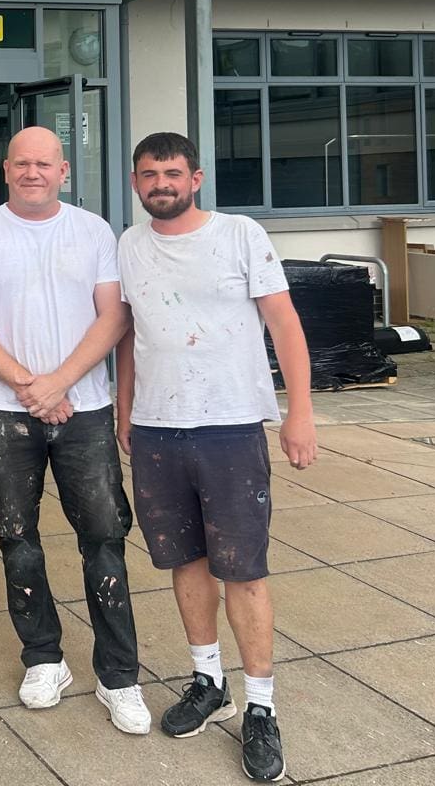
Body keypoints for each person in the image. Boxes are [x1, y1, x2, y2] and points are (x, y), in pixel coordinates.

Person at [116, 132, 317, 782]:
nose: (161, 184)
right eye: (150, 174)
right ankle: (209, 681)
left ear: (195, 177)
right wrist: (125, 410)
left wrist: (299, 412)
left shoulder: (239, 236)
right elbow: (129, 337)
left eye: (172, 173)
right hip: (156, 430)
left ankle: (260, 705)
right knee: (185, 561)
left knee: (244, 570)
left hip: (230, 428)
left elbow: (285, 323)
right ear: (135, 180)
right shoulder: (129, 244)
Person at [0, 126, 148, 734]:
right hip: (6, 413)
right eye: (22, 164)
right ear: (6, 170)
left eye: (44, 164)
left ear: (63, 171)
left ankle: (120, 676)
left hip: (83, 411)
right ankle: (44, 659)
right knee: (16, 536)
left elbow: (114, 317)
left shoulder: (93, 232)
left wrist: (59, 383)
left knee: (104, 540)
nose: (33, 173)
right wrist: (33, 385)